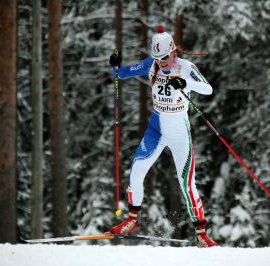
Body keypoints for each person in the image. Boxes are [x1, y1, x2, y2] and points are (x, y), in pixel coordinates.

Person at [107, 26, 217, 248]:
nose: (161, 62)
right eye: (157, 58)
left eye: (165, 57)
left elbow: (208, 89)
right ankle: (131, 220)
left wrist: (186, 83)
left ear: (173, 51)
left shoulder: (186, 67)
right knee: (136, 173)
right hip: (156, 129)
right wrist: (116, 65)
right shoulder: (151, 65)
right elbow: (122, 73)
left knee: (187, 184)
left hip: (179, 133)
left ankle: (201, 233)